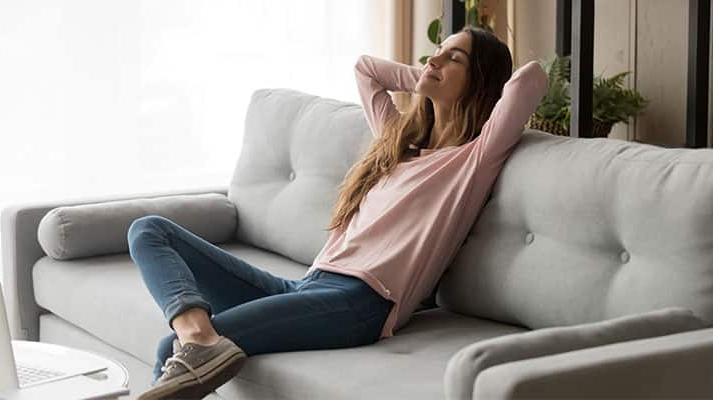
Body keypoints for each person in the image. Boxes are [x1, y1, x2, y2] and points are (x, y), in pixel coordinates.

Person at [129, 25, 548, 400]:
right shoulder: (397, 144)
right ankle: (199, 335)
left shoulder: (473, 158)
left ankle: (198, 342)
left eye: (453, 57)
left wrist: (439, 80)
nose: (434, 58)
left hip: (360, 302)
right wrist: (424, 78)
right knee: (149, 231)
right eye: (436, 50)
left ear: (479, 81)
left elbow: (531, 78)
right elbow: (366, 69)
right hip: (307, 286)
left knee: (172, 350)